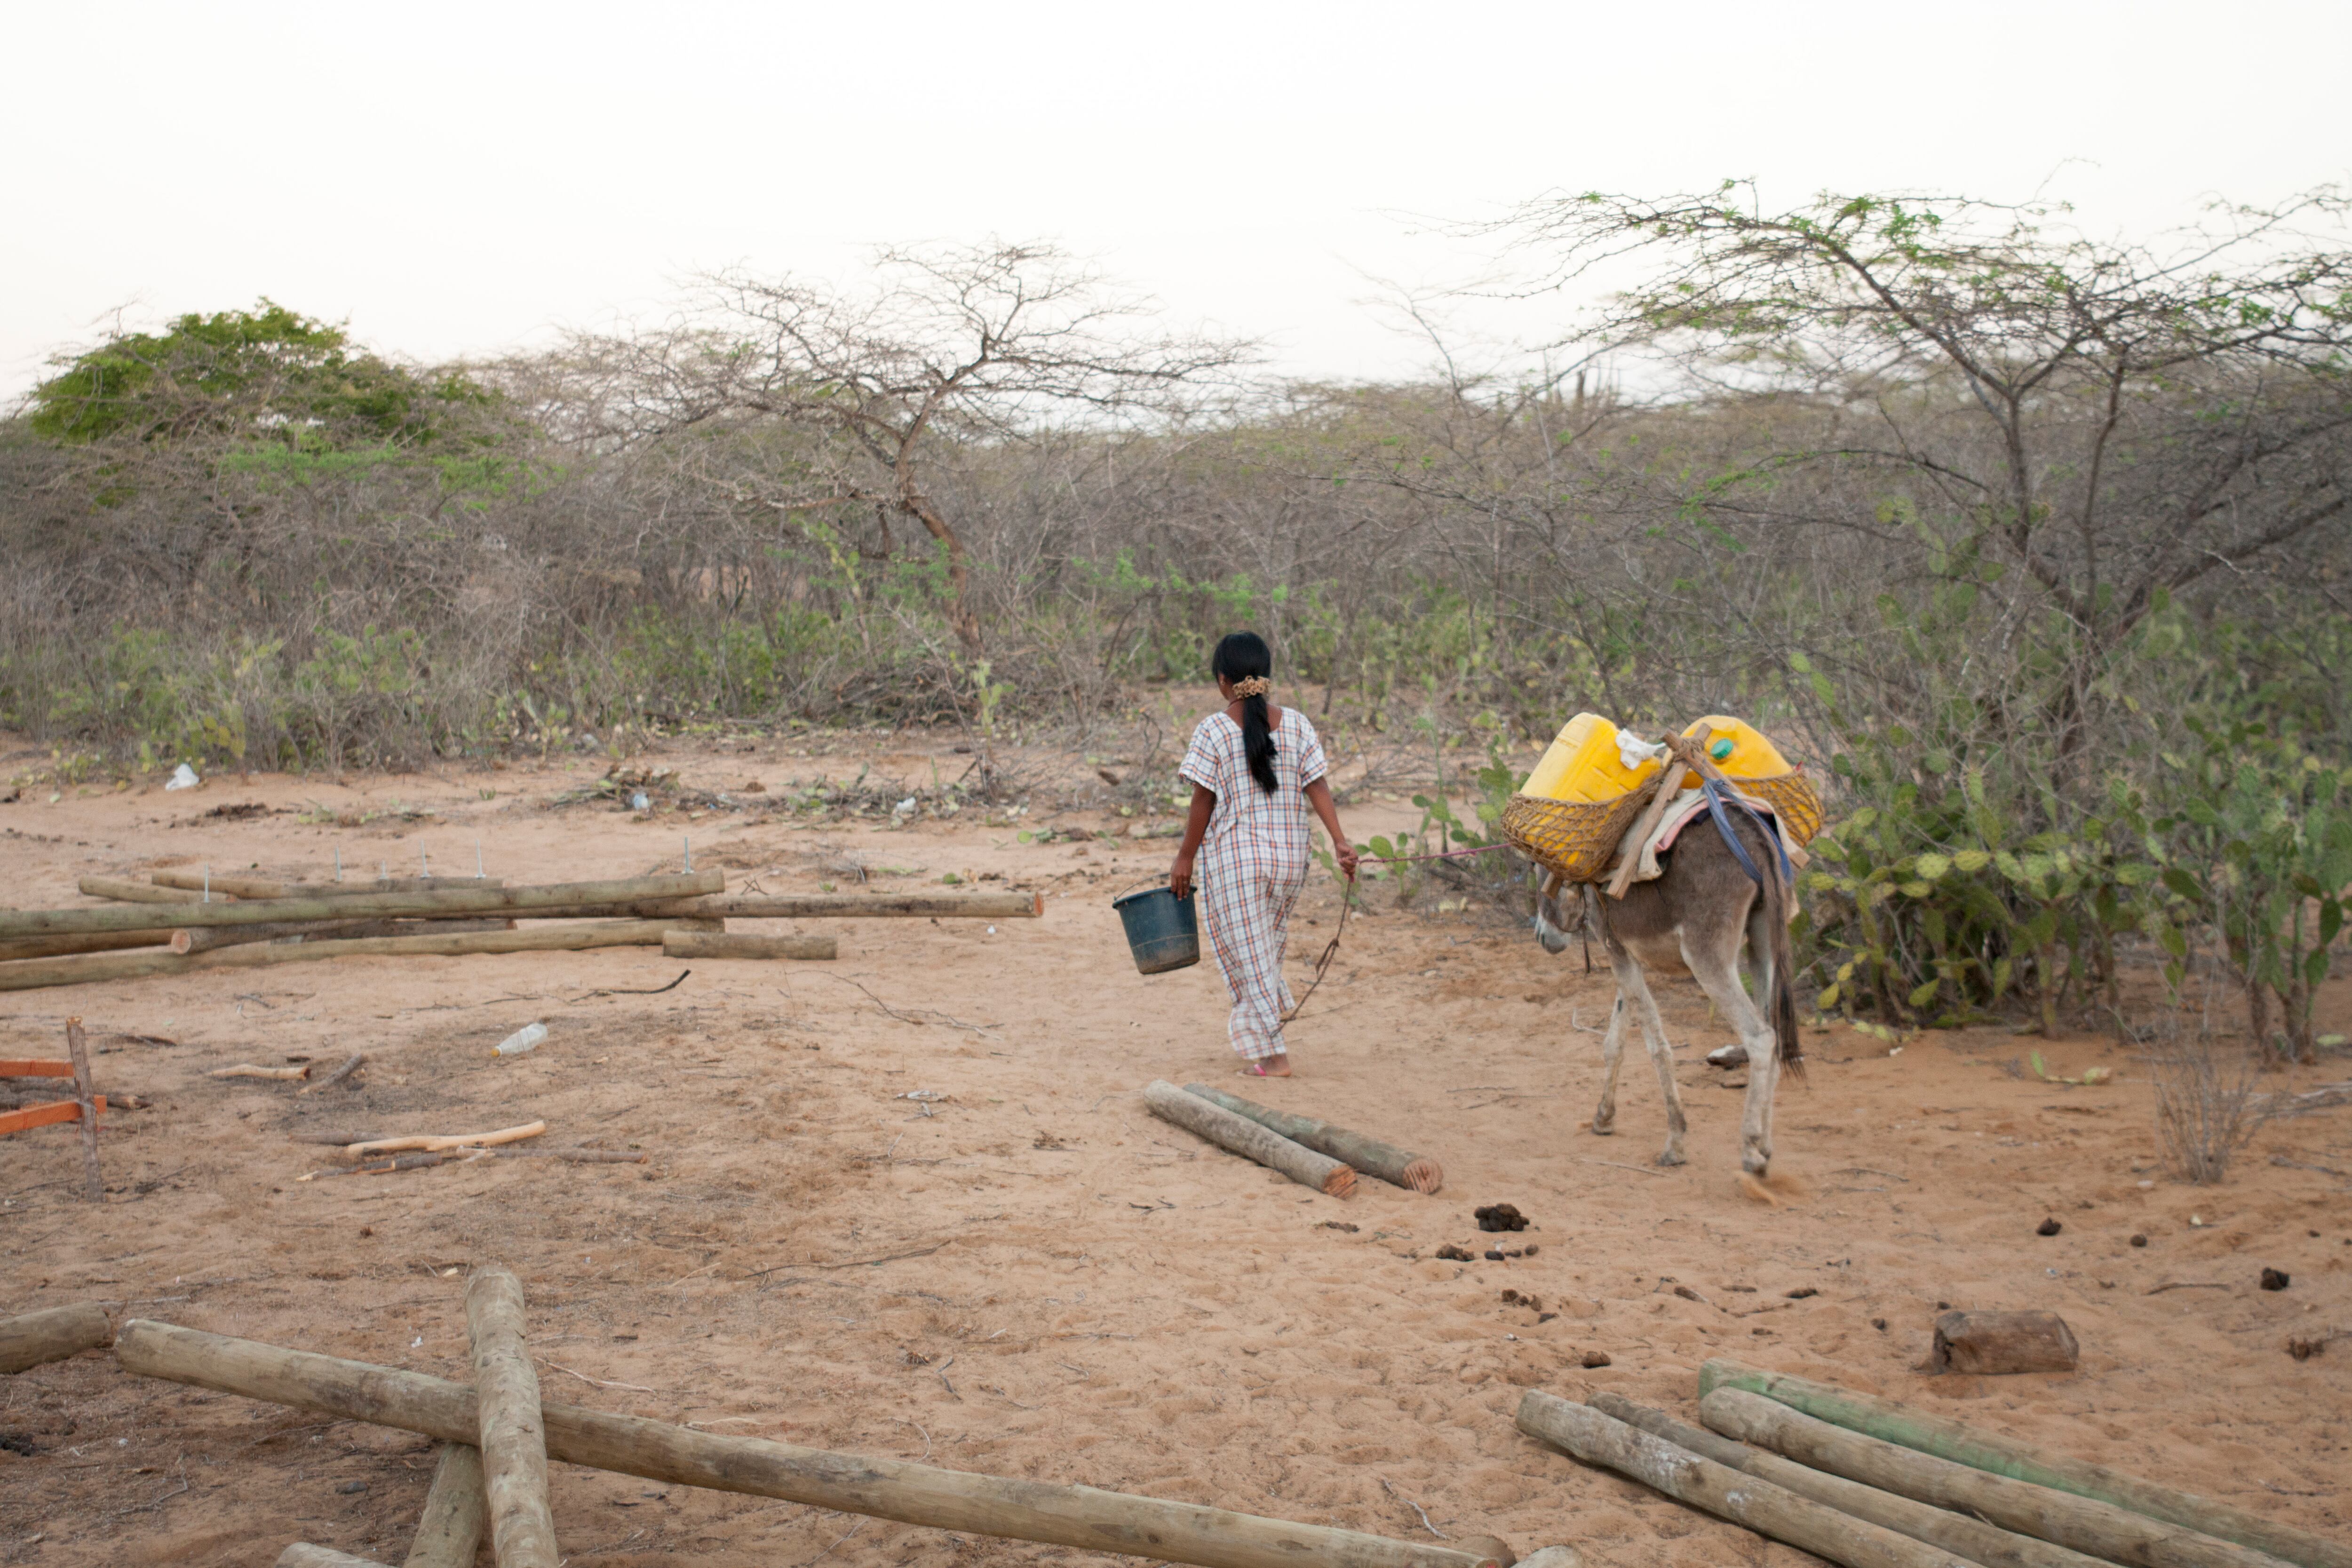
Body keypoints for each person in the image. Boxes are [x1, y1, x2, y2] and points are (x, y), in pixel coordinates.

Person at [1169, 632, 1358, 1076]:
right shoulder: (1297, 724)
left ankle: (1274, 1055)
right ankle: (1269, 1019)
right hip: (1291, 861)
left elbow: (1202, 802)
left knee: (1248, 953)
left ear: (1223, 681)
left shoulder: (1213, 730)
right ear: (1265, 676)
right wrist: (1340, 840)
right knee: (1264, 950)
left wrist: (1185, 858)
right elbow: (1318, 785)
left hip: (1239, 862)